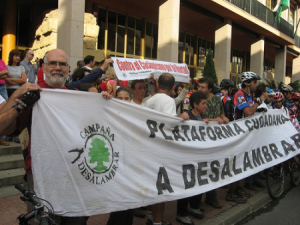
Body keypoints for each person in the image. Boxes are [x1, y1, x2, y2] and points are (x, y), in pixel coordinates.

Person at [1, 49, 112, 225]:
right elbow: (3, 128)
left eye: (62, 64)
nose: (57, 68)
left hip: (74, 174)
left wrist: (102, 103)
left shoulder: (74, 95)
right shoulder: (33, 95)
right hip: (41, 175)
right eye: (52, 63)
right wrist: (16, 97)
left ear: (68, 69)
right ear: (44, 67)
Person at [145, 73, 189, 225]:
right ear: (172, 88)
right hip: (160, 149)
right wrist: (181, 117)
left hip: (148, 146)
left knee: (152, 186)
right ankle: (157, 223)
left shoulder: (148, 100)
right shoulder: (168, 101)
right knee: (159, 188)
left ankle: (151, 218)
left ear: (157, 85)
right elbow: (169, 124)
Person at [196, 77, 229, 209]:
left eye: (202, 87)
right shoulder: (195, 100)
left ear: (210, 89)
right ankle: (196, 201)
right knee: (201, 169)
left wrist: (223, 118)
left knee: (213, 168)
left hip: (215, 140)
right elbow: (196, 119)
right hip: (201, 140)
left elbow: (221, 114)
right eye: (199, 86)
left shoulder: (216, 99)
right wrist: (212, 119)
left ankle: (211, 196)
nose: (199, 89)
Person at [176, 91, 207, 225]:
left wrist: (213, 120)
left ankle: (194, 206)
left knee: (199, 182)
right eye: (203, 103)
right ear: (195, 104)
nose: (205, 106)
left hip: (199, 157)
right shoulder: (186, 116)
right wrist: (179, 118)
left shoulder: (203, 117)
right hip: (186, 158)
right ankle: (181, 213)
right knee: (186, 185)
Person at [233, 71, 266, 192]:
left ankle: (252, 180)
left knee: (253, 156)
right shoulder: (240, 95)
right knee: (240, 159)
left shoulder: (249, 96)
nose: (256, 85)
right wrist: (258, 102)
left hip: (250, 132)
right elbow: (248, 112)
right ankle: (238, 187)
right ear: (247, 83)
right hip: (240, 133)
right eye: (254, 82)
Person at [107, 86, 134, 225]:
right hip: (116, 164)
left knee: (129, 204)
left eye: (126, 98)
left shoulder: (136, 115)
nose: (123, 101)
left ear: (131, 99)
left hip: (131, 164)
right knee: (119, 203)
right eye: (120, 98)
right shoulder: (110, 112)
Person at [5, 49, 27, 143]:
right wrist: (17, 80)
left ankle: (17, 134)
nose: (17, 57)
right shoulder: (6, 67)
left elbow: (23, 80)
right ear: (11, 57)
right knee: (9, 113)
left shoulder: (21, 68)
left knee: (18, 112)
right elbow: (6, 80)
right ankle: (9, 134)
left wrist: (11, 80)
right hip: (8, 92)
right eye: (15, 56)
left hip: (19, 92)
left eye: (18, 56)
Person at [0, 59, 10, 145]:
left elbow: (7, 74)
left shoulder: (1, 61)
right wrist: (3, 73)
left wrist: (3, 74)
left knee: (5, 109)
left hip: (2, 87)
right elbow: (4, 73)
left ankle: (1, 137)